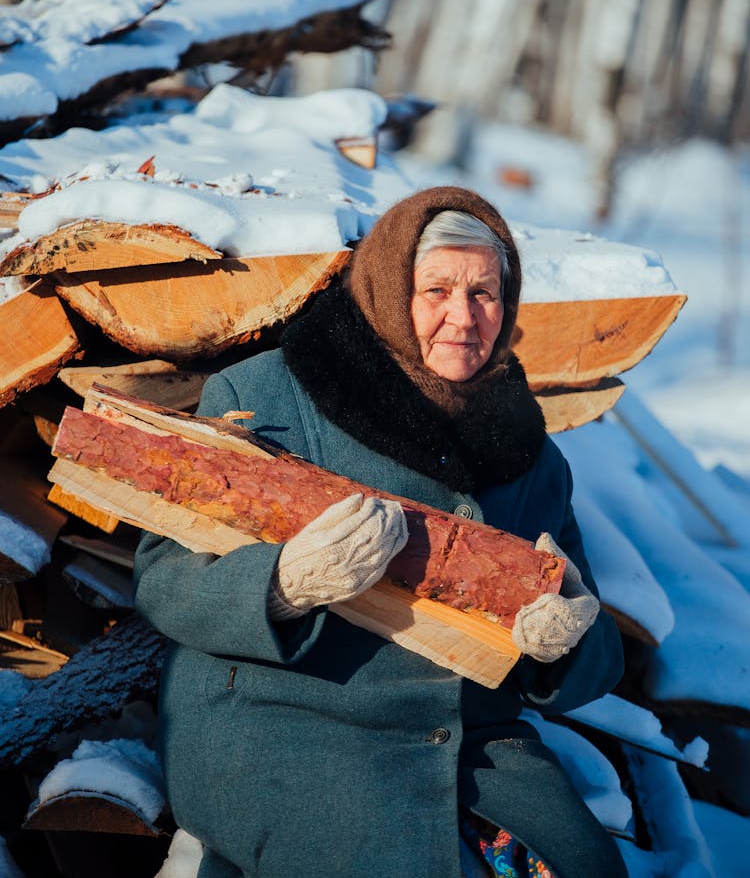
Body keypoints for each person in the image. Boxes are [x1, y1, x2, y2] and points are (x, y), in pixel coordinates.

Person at [133, 185, 627, 878]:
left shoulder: (526, 449)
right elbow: (163, 579)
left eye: (485, 293)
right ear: (391, 287)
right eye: (437, 290)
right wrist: (283, 583)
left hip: (468, 744)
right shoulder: (268, 398)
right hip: (291, 727)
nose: (464, 316)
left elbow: (597, 652)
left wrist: (568, 638)